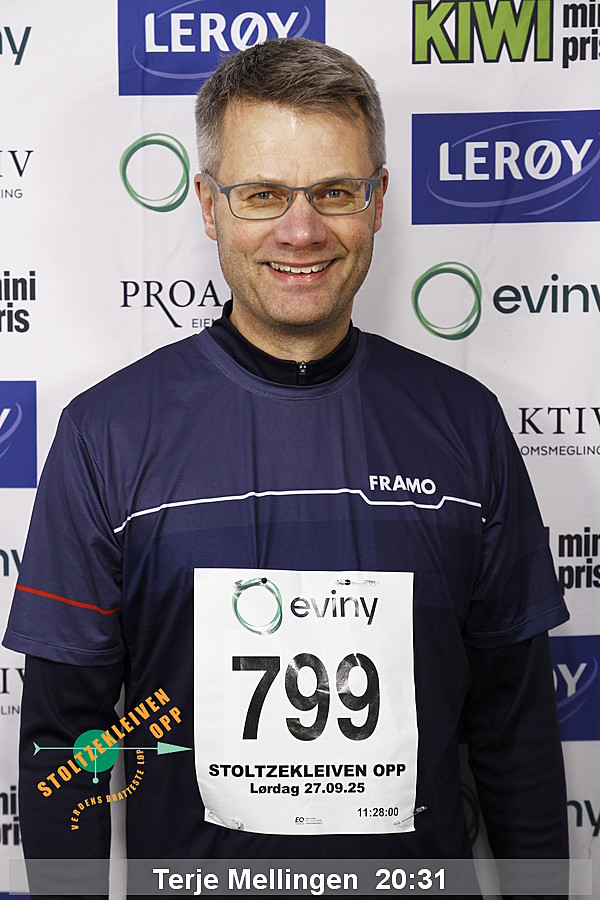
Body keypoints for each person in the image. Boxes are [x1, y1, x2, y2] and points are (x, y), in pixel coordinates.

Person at [4, 37, 569, 897]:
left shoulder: (466, 425)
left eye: (335, 192)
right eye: (263, 194)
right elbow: (64, 741)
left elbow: (514, 729)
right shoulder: (105, 435)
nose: (301, 230)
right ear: (208, 205)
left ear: (378, 201)